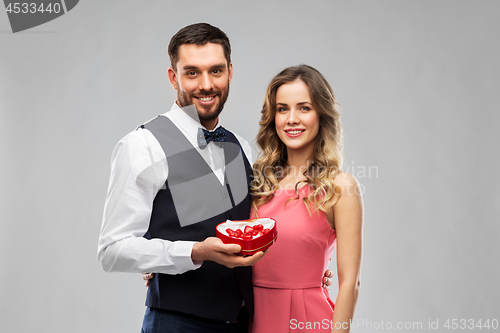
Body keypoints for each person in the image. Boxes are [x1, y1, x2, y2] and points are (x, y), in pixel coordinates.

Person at [98, 23, 333, 333]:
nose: (206, 85)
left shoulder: (241, 147)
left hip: (244, 323)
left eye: (216, 71)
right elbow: (112, 251)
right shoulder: (142, 145)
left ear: (230, 73)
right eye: (192, 72)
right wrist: (191, 253)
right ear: (173, 77)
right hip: (176, 324)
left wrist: (303, 266)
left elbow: (252, 227)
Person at [250, 65, 363, 332]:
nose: (291, 118)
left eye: (304, 108)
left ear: (321, 115)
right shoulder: (256, 181)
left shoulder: (341, 187)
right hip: (249, 316)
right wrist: (160, 263)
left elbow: (350, 283)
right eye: (282, 109)